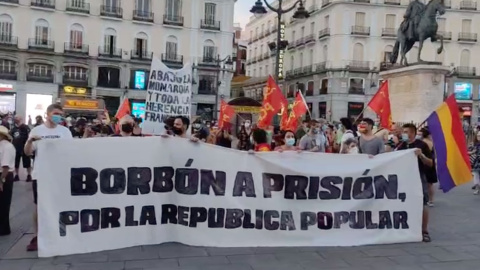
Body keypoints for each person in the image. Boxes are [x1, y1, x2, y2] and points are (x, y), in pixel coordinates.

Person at [24, 103, 73, 251]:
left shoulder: (65, 132)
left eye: (61, 114)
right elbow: (27, 152)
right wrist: (30, 141)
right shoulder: (37, 130)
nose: (59, 117)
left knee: (60, 204)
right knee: (39, 205)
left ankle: (60, 233)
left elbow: (71, 151)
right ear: (48, 114)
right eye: (56, 113)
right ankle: (37, 235)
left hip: (59, 174)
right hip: (41, 174)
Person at [397, 123, 433, 242]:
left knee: (423, 203)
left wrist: (421, 155)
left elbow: (430, 163)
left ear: (413, 133)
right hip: (404, 178)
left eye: (406, 132)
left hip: (419, 177)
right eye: (403, 132)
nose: (404, 134)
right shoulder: (400, 145)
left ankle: (424, 231)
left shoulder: (421, 145)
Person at [0, 126, 16, 236]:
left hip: (4, 175)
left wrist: (1, 180)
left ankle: (3, 228)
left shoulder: (7, 147)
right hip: (4, 174)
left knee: (3, 203)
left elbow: (5, 166)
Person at [418, 127, 437, 205]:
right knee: (430, 184)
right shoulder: (430, 141)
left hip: (426, 163)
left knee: (427, 183)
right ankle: (430, 199)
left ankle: (429, 199)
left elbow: (427, 153)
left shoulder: (424, 142)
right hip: (430, 162)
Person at [10, 116, 32, 182]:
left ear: (21, 119)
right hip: (16, 148)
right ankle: (16, 175)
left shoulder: (25, 127)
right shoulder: (13, 129)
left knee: (27, 162)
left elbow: (29, 136)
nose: (16, 119)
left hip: (25, 148)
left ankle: (29, 175)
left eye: (17, 118)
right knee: (16, 163)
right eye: (15, 118)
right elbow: (11, 137)